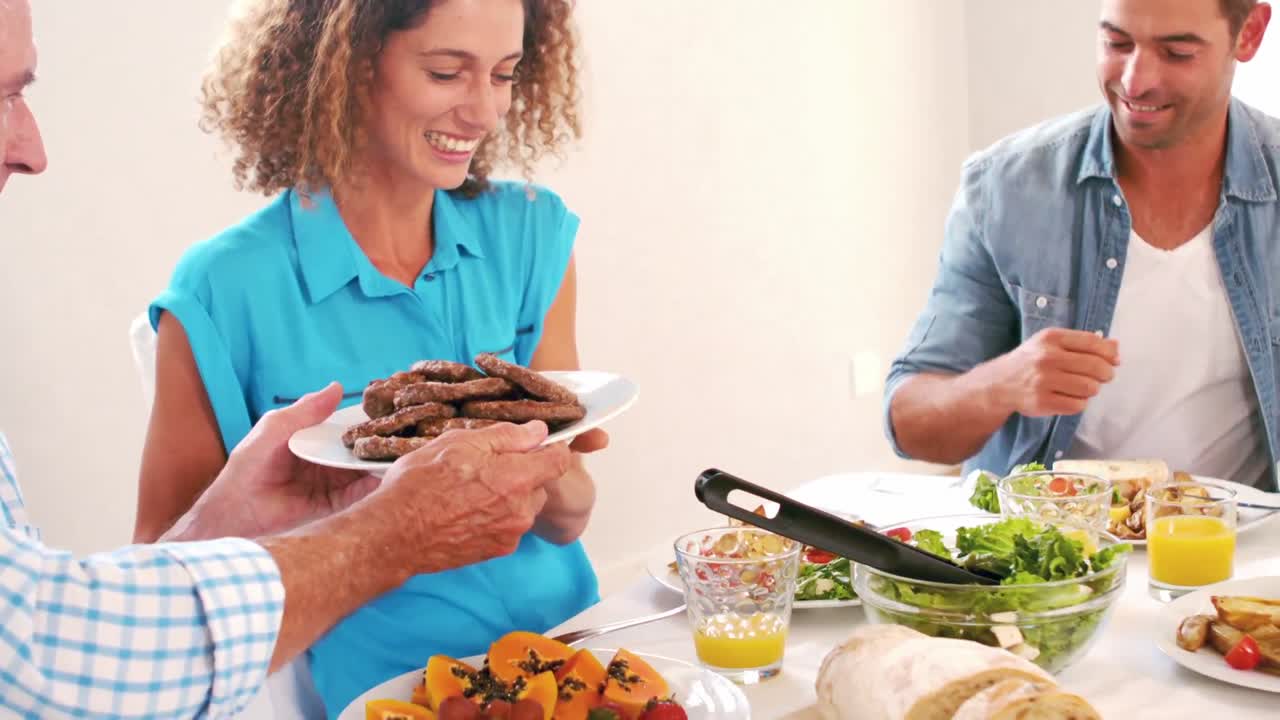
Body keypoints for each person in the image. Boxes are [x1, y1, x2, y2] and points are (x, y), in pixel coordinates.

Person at [0, 0, 571, 716]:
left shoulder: (531, 230)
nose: (486, 111)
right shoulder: (225, 286)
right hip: (378, 693)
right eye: (445, 72)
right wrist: (390, 526)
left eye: (506, 74)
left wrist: (553, 470)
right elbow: (151, 574)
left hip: (570, 647)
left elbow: (570, 514)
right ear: (347, 64)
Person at [885, 0, 1280, 491]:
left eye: (1176, 52)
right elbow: (909, 423)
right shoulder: (1007, 188)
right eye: (1117, 43)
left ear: (1249, 33)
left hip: (1240, 536)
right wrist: (1001, 384)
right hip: (1052, 536)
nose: (1135, 81)